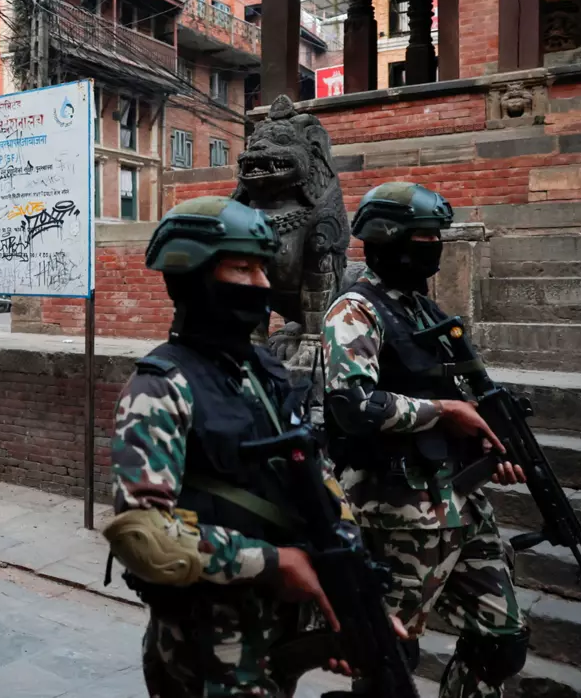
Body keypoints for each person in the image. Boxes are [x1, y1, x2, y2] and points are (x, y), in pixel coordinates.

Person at [106, 197, 373, 696]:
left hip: (277, 631)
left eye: (263, 268)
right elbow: (143, 537)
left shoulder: (263, 370)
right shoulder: (161, 387)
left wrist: (348, 599)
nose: (263, 284)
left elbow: (313, 478)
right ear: (194, 276)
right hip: (207, 646)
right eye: (242, 267)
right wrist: (271, 563)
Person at [323, 182, 530, 698]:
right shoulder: (355, 311)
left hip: (460, 498)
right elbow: (353, 405)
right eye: (422, 239)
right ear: (385, 239)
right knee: (390, 656)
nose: (433, 248)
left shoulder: (426, 313)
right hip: (397, 507)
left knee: (501, 639)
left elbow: (460, 396)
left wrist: (488, 448)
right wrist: (443, 412)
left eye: (436, 237)